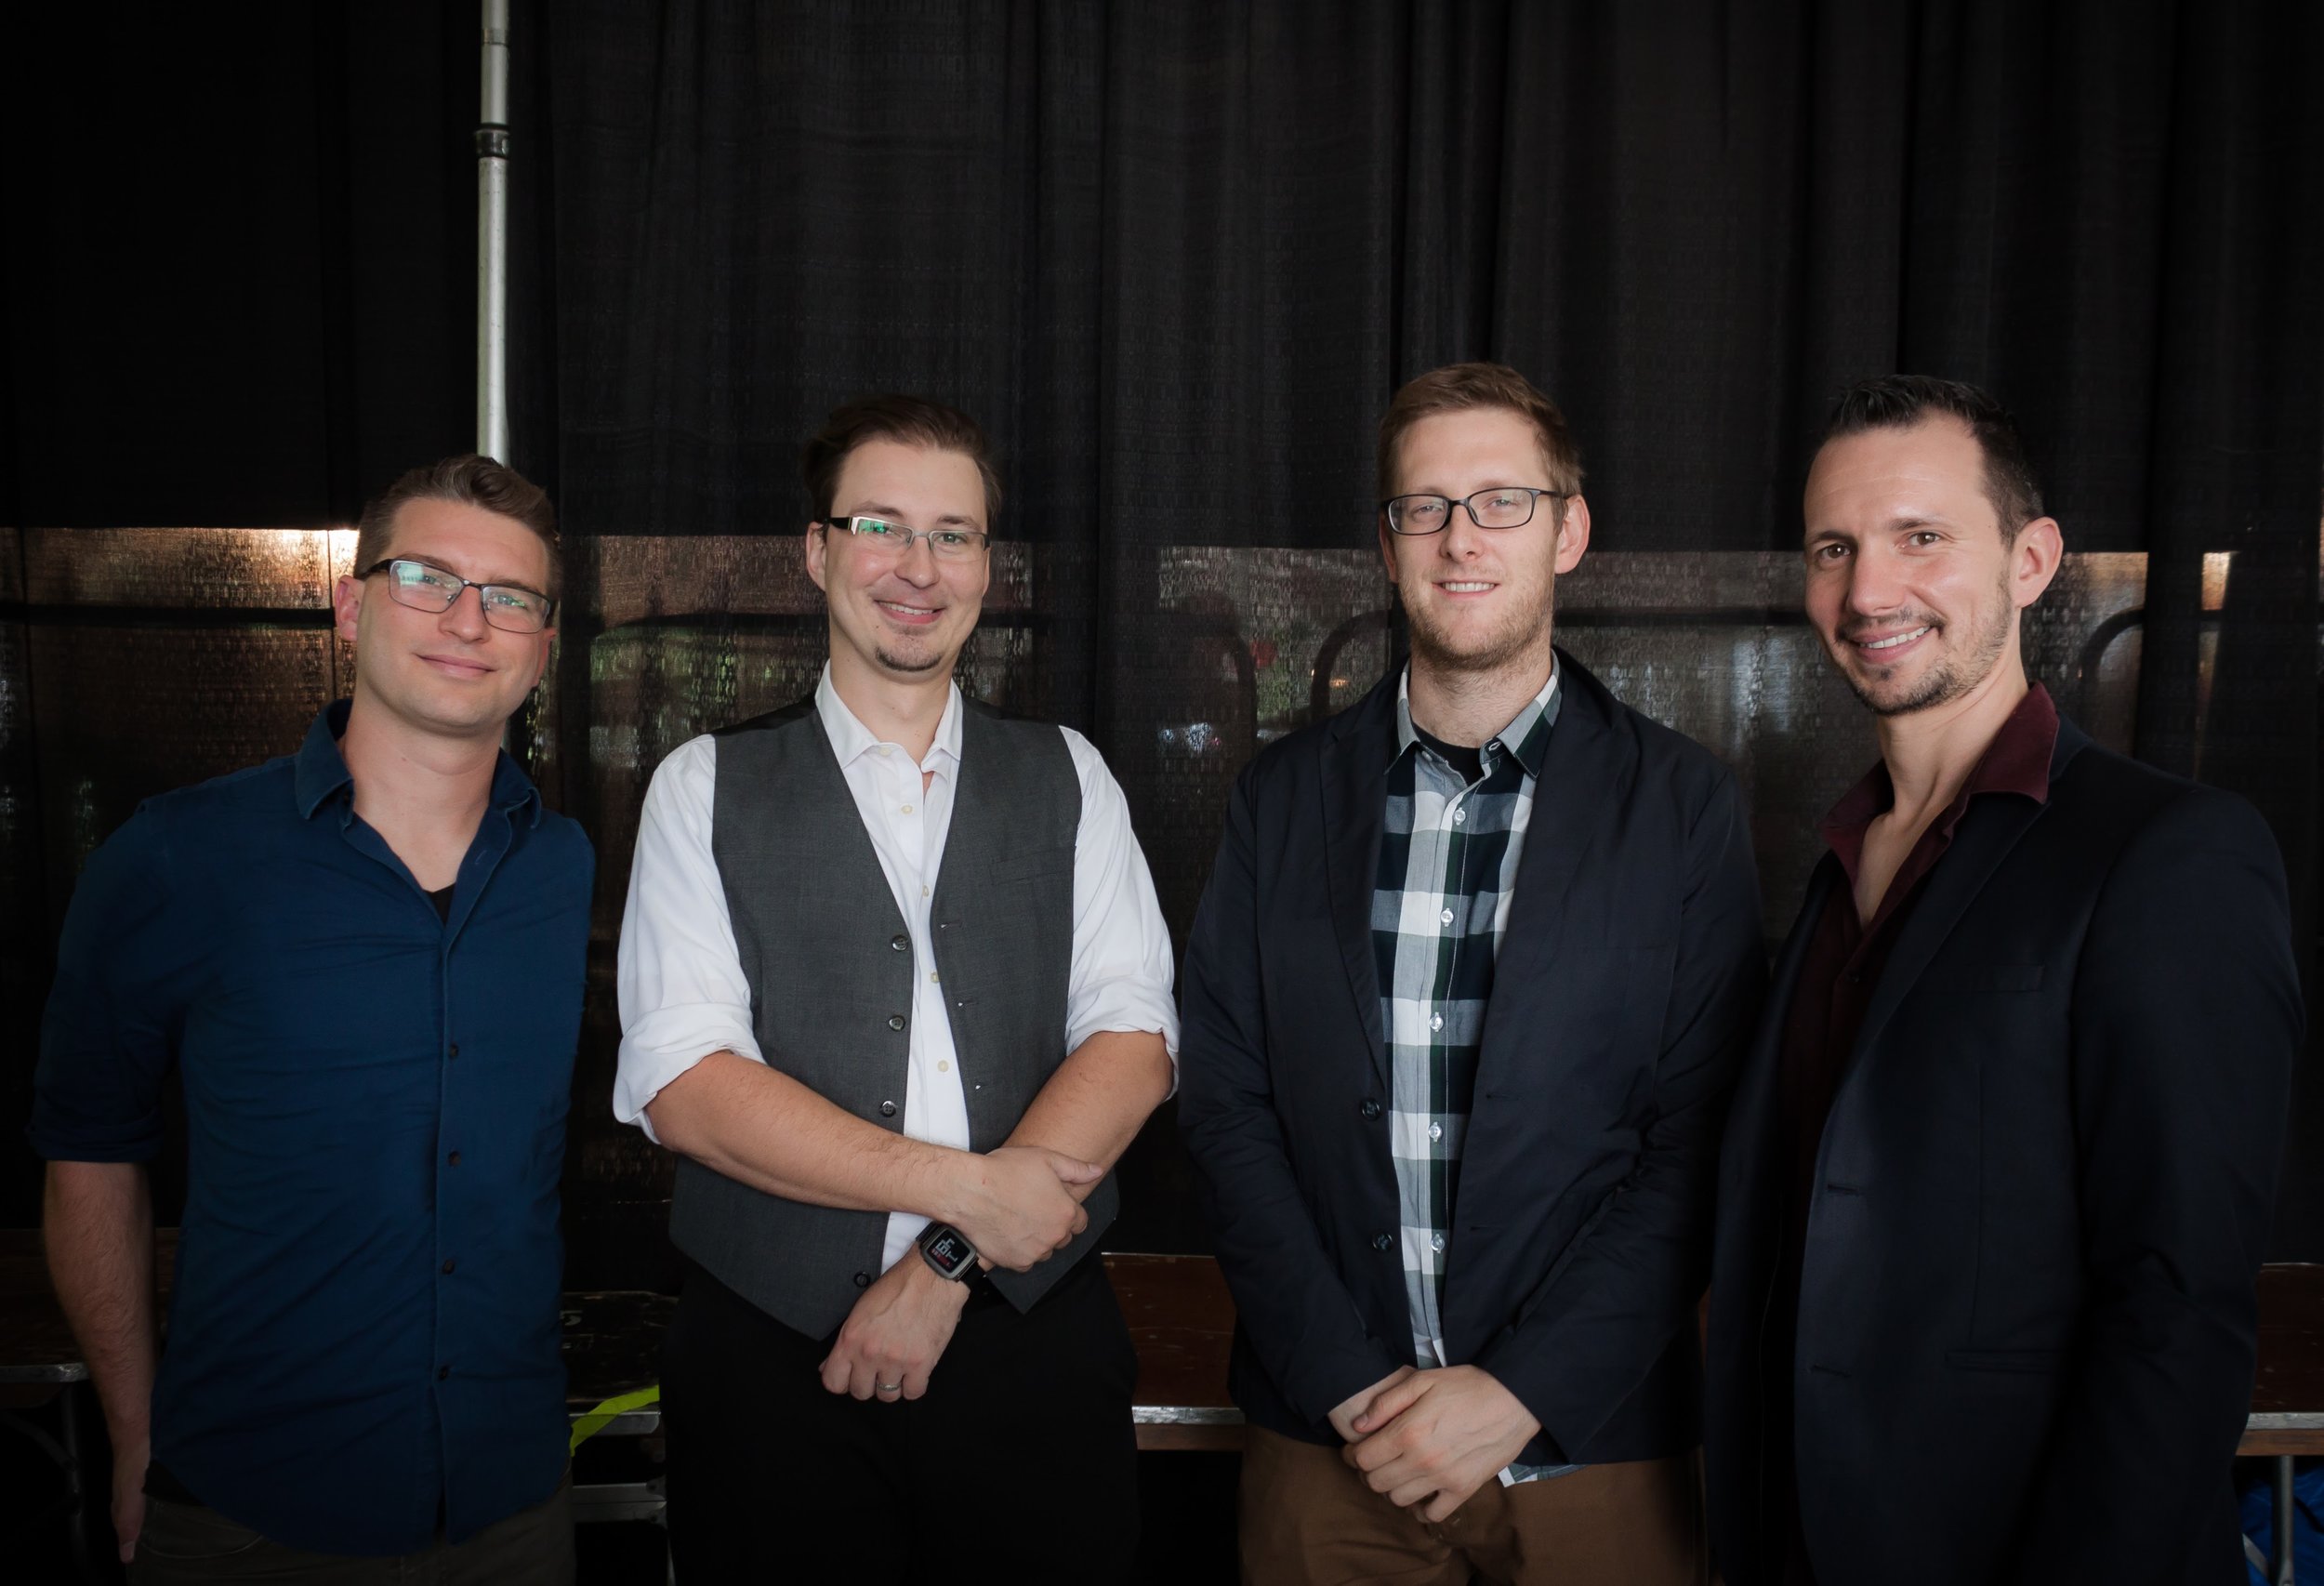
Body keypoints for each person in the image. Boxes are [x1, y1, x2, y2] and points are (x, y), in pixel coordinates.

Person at [1702, 375, 2303, 1585]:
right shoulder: (1833, 867)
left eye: (1921, 537)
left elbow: (2178, 1311)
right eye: (1836, 547)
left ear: (2031, 560)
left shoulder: (2167, 853)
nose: (1869, 591)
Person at [1178, 361, 1765, 1584]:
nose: (1460, 538)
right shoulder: (1280, 802)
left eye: (1502, 500)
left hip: (1592, 1447)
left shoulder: (1683, 808)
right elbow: (1225, 1105)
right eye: (1424, 506)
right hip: (1330, 1441)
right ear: (1388, 545)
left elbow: (1701, 1137)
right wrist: (1342, 1377)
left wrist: (1521, 1390)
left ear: (1570, 531)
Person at [614, 393, 1179, 1581]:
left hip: (1034, 1351)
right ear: (818, 551)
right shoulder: (701, 784)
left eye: (954, 534)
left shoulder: (1069, 773)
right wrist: (973, 1199)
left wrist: (938, 1268)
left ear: (986, 563)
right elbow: (686, 1084)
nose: (918, 567)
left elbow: (1132, 1039)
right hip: (774, 1354)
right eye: (881, 525)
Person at [33, 456, 591, 1582]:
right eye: (427, 577)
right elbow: (90, 1153)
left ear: (542, 645)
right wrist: (138, 1432)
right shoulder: (177, 857)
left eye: (509, 597)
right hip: (247, 1512)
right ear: (351, 603)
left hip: (511, 1510)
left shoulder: (565, 867)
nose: (466, 620)